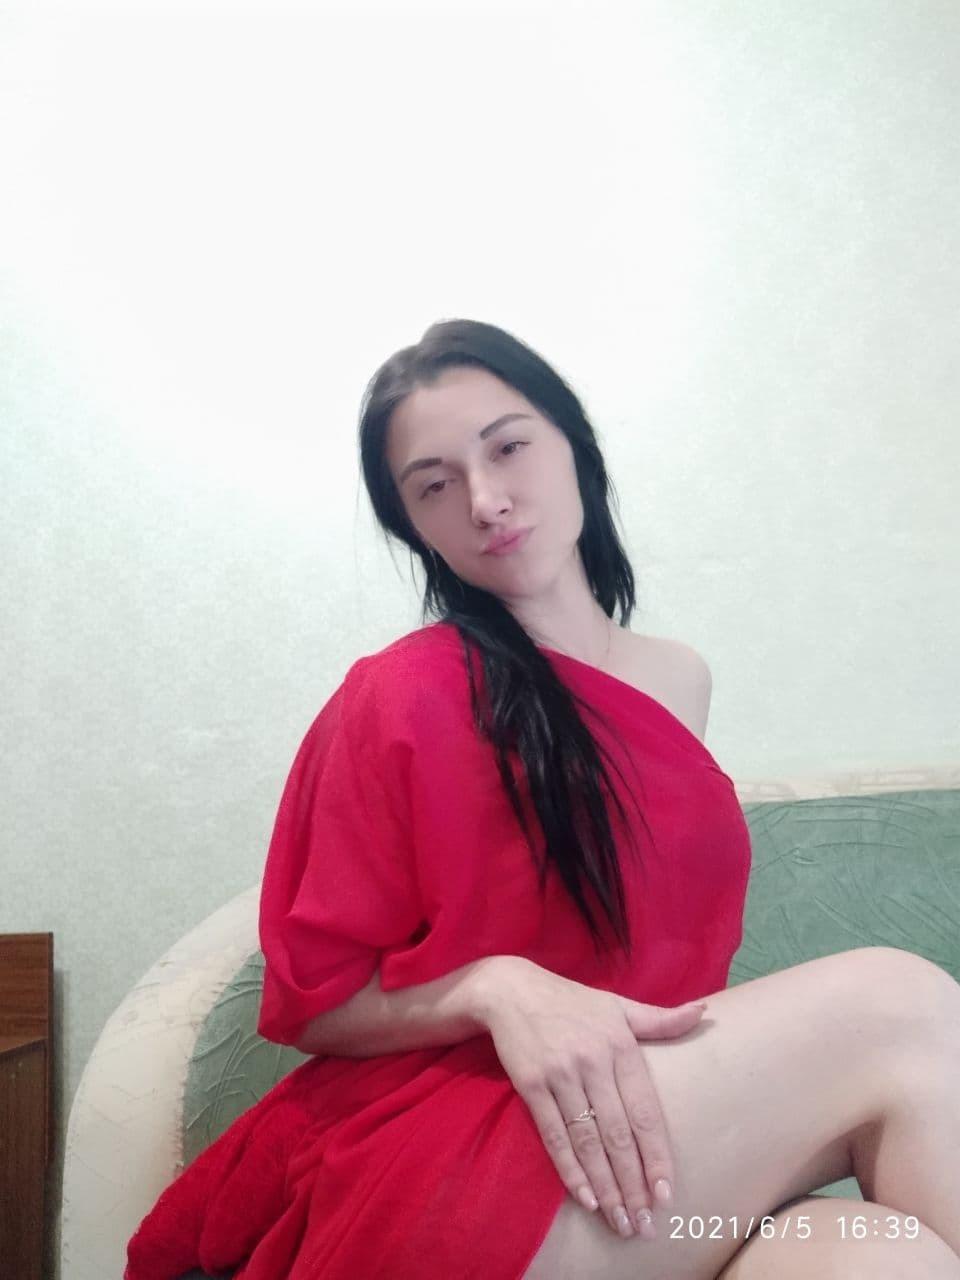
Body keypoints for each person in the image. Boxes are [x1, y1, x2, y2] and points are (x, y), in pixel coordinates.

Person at [127, 319, 960, 1280]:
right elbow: (314, 1001)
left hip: (633, 1129)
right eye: (434, 486)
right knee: (899, 1006)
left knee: (879, 1256)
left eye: (509, 447)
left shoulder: (680, 678)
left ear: (575, 445)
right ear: (414, 527)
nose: (484, 500)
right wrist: (496, 988)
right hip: (450, 1150)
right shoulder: (399, 694)